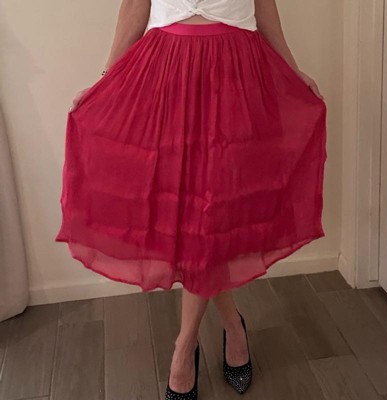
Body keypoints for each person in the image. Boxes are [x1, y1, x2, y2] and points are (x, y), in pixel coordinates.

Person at [55, 0, 327, 398]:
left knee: (212, 219)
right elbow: (135, 6)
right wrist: (107, 78)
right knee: (191, 222)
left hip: (236, 76)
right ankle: (232, 326)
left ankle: (184, 348)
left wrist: (292, 69)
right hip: (167, 75)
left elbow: (264, 6)